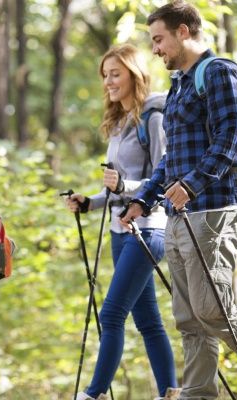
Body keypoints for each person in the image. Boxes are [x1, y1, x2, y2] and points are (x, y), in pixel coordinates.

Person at [121, 2, 237, 399]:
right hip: (179, 213)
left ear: (183, 31)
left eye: (159, 39)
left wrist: (193, 184)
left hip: (217, 207)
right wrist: (143, 199)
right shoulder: (180, 85)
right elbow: (172, 158)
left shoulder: (220, 72)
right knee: (189, 319)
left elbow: (231, 136)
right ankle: (198, 395)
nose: (155, 49)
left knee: (213, 309)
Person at [67, 44, 180, 400]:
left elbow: (163, 178)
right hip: (120, 229)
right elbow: (118, 186)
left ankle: (92, 394)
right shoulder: (118, 123)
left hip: (150, 229)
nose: (108, 82)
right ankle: (170, 393)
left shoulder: (154, 117)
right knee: (148, 322)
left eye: (115, 74)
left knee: (112, 314)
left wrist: (125, 186)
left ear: (134, 73)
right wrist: (90, 203)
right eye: (105, 76)